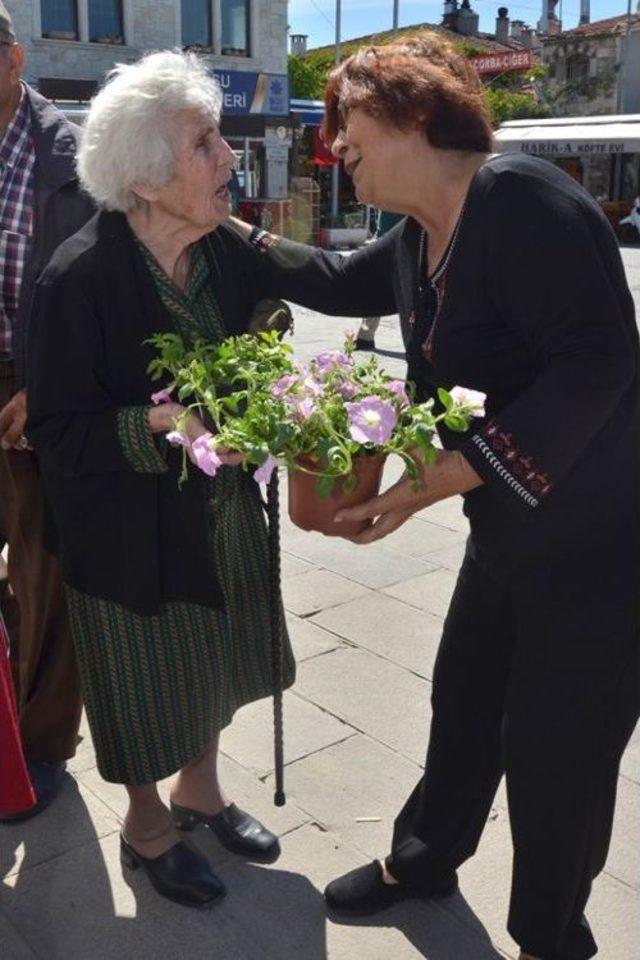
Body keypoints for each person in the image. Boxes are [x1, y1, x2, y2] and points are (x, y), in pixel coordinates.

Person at [230, 35, 640, 960]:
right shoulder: (422, 236)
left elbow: (601, 364)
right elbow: (331, 280)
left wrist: (437, 481)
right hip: (508, 532)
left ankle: (550, 935)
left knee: (555, 752)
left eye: (346, 122)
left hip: (600, 550)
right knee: (461, 706)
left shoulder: (524, 201)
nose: (335, 146)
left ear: (412, 113)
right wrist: (219, 224)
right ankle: (424, 860)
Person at [26, 51, 295, 906]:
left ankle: (201, 792)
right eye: (205, 144)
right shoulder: (77, 279)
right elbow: (56, 431)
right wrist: (152, 423)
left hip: (218, 510)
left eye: (221, 138)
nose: (228, 159)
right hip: (124, 531)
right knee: (146, 681)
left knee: (214, 659)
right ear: (144, 178)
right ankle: (146, 825)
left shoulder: (224, 253)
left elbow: (282, 310)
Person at [0, 0, 92, 819]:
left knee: (43, 568)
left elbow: (98, 291)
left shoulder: (69, 154)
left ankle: (42, 743)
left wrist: (49, 384)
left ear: (14, 59)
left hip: (38, 383)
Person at [355, 208, 404, 350]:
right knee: (409, 293)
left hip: (383, 242)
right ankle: (417, 339)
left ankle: (365, 337)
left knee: (377, 291)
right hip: (401, 243)